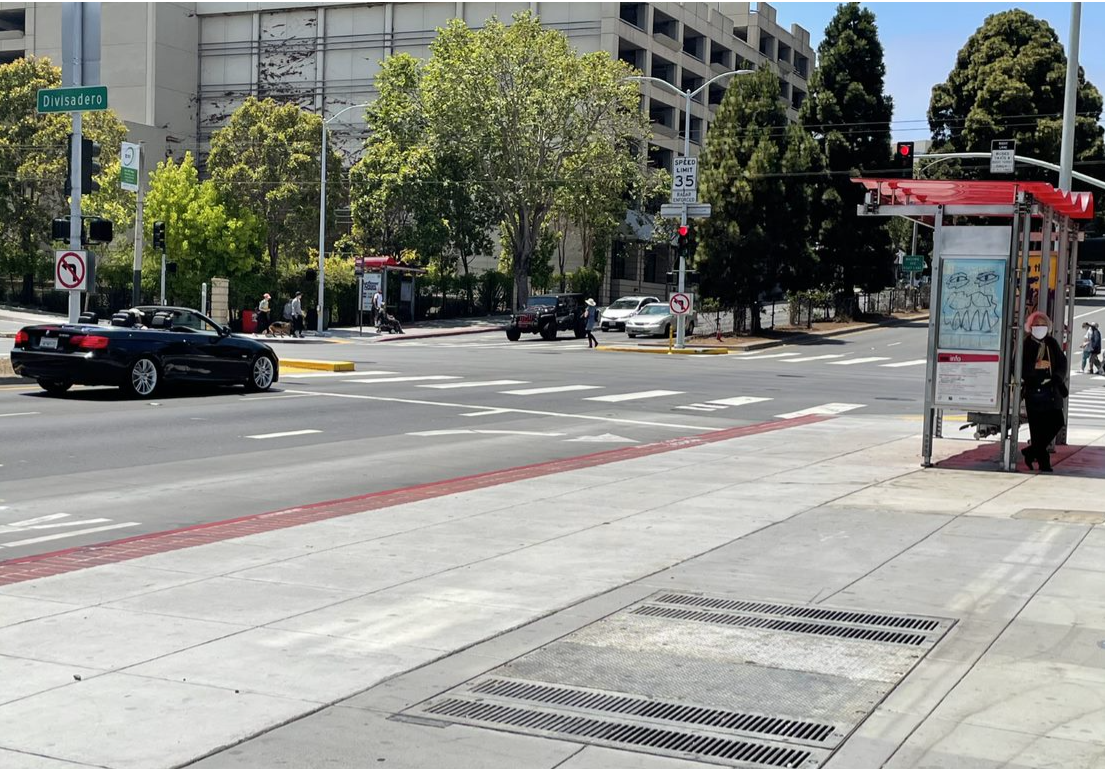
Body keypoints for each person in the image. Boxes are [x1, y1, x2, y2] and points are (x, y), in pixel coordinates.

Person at [1021, 311, 1067, 472]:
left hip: (1052, 391)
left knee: (1057, 421)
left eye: (1043, 325)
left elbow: (1062, 363)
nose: (1040, 328)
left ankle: (1031, 451)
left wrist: (1058, 377)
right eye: (1036, 325)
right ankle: (1043, 462)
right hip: (1034, 392)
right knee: (1037, 428)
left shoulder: (1051, 343)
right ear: (1030, 327)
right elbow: (1017, 367)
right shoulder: (1025, 344)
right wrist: (1035, 368)